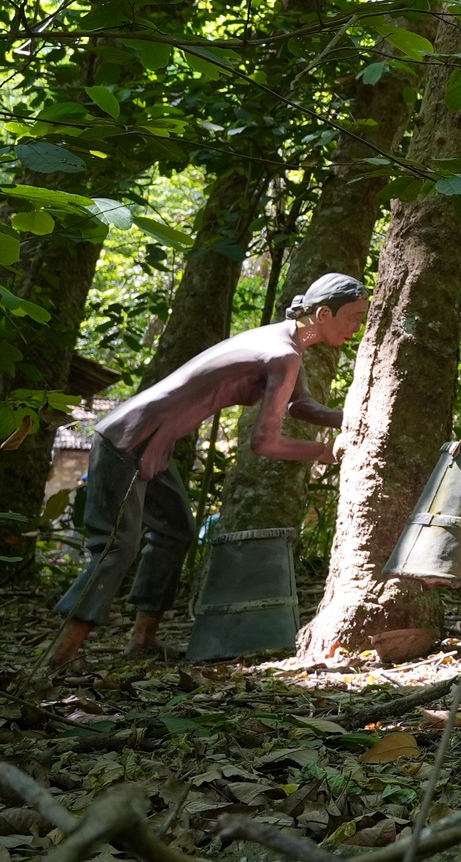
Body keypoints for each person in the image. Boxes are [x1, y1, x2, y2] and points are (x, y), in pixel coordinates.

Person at [48, 274, 369, 667]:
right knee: (117, 545)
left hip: (154, 443)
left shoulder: (285, 344)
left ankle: (143, 640)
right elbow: (264, 442)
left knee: (176, 532)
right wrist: (325, 451)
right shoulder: (282, 353)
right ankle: (62, 652)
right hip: (129, 439)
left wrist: (356, 418)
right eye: (354, 317)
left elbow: (300, 406)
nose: (357, 327)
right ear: (323, 313)